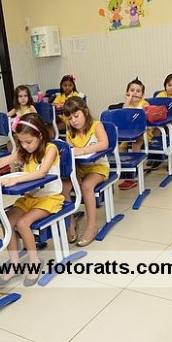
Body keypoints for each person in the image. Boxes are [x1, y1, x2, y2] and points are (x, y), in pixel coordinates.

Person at [0, 113, 64, 287]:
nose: (25, 146)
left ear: (40, 136)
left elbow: (41, 173)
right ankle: (14, 264)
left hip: (49, 198)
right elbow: (3, 161)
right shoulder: (24, 151)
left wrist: (16, 180)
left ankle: (34, 262)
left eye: (28, 142)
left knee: (22, 224)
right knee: (7, 221)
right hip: (30, 197)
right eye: (21, 142)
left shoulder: (50, 148)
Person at [62, 96, 109, 247]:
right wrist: (75, 173)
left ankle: (91, 226)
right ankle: (71, 222)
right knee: (64, 186)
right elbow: (70, 155)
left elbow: (104, 144)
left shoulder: (96, 126)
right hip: (79, 168)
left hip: (98, 167)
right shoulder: (70, 132)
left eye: (76, 116)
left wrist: (82, 150)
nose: (73, 121)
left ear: (85, 112)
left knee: (87, 186)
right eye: (70, 118)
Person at [119, 77, 150, 190]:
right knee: (121, 148)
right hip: (128, 134)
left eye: (138, 91)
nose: (135, 93)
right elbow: (123, 114)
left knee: (135, 145)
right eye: (132, 90)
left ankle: (135, 172)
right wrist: (127, 100)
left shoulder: (144, 104)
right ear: (127, 93)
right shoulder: (127, 105)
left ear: (142, 94)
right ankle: (125, 171)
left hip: (143, 133)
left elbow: (148, 114)